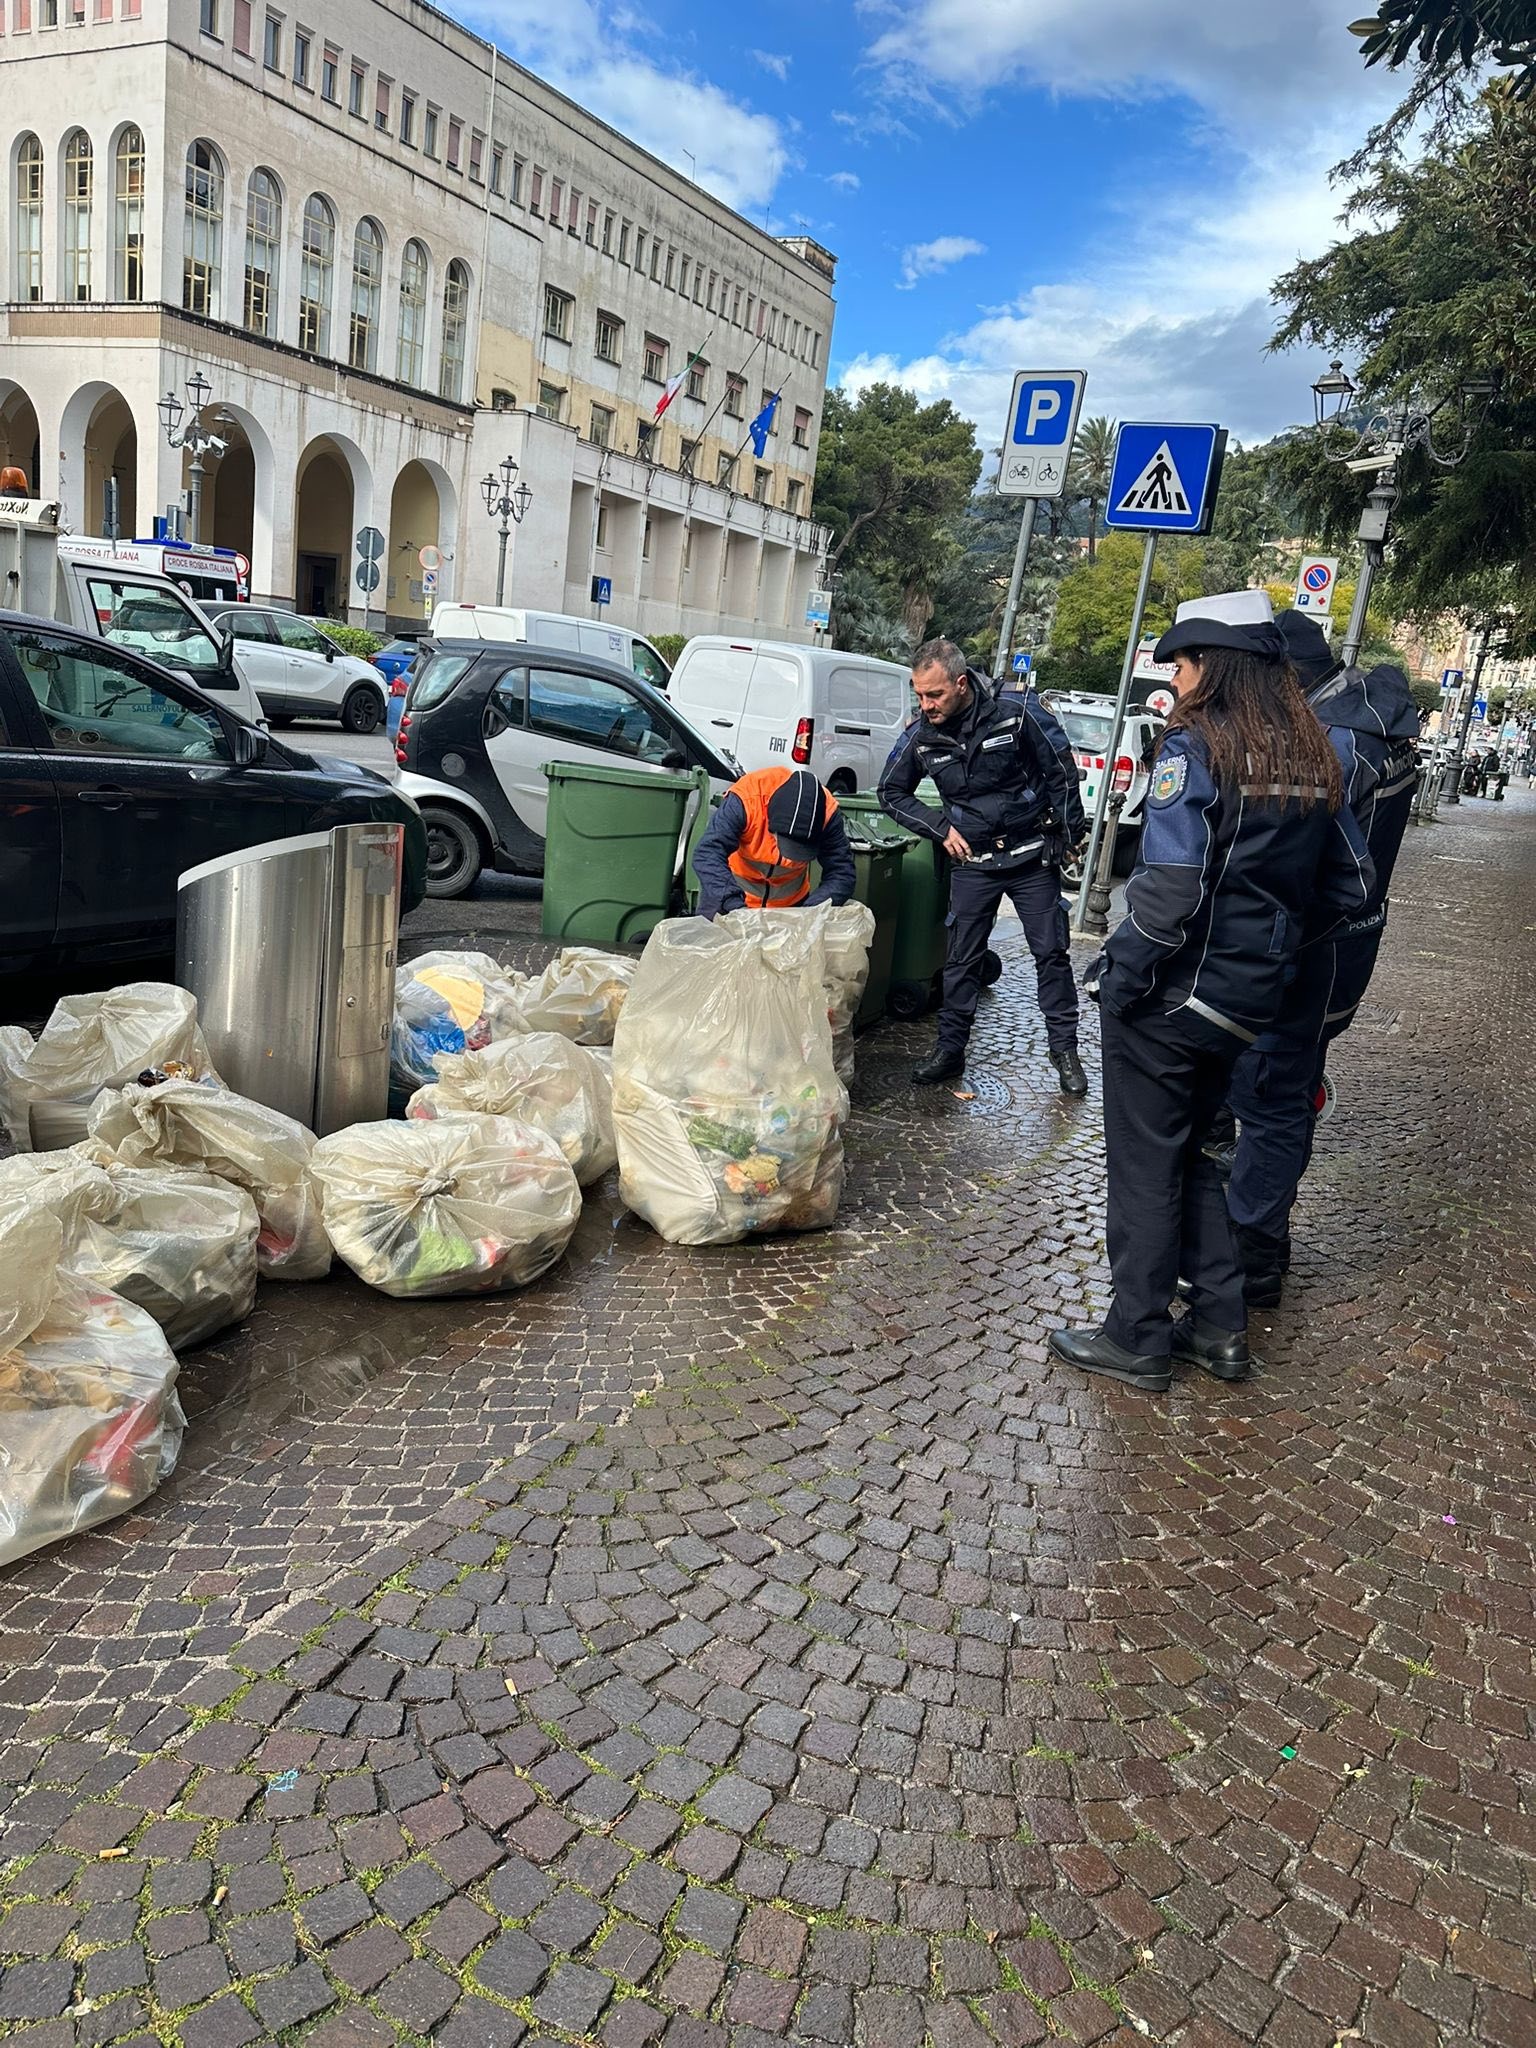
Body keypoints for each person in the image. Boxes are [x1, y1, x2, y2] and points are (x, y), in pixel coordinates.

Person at [1048, 592, 1374, 1393]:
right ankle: (1220, 1330)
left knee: (1144, 1168)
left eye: (1184, 664)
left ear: (1214, 666)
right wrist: (1271, 950)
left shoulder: (1196, 750)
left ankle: (1138, 1336)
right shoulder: (1314, 755)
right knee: (1197, 1155)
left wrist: (1120, 976)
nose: (1177, 682)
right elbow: (1354, 884)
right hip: (1248, 1004)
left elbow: (1168, 888)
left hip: (1173, 999)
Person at [1224, 614, 1419, 1306]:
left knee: (1271, 1092)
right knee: (1289, 1085)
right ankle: (1259, 1229)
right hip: (1348, 949)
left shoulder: (1332, 743)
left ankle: (1255, 1254)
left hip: (1308, 952)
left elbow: (1313, 867)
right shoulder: (1374, 722)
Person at [878, 638, 1088, 1095]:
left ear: (960, 683)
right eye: (919, 695)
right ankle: (950, 1052)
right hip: (972, 859)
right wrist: (939, 829)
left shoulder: (1016, 709)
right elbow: (890, 792)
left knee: (1051, 953)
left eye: (934, 694)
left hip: (1031, 855)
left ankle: (1065, 1053)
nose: (925, 704)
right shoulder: (922, 734)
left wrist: (1068, 836)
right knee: (960, 961)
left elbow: (1061, 771)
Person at [691, 765, 854, 920]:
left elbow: (841, 872)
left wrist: (810, 912)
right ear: (770, 823)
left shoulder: (828, 814)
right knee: (714, 946)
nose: (791, 856)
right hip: (728, 897)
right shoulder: (747, 798)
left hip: (790, 908)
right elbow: (707, 854)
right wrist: (735, 907)